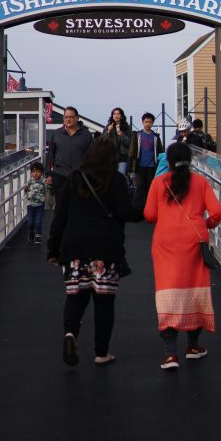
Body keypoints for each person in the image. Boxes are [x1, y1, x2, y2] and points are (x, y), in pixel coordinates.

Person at [47, 136, 143, 366]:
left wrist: (53, 248)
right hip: (106, 249)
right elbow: (126, 212)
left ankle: (70, 334)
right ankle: (101, 353)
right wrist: (147, 208)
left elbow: (60, 216)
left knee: (75, 297)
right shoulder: (116, 180)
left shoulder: (74, 179)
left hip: (75, 247)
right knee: (104, 302)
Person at [143, 140, 221, 371]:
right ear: (191, 160)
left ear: (167, 161)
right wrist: (206, 224)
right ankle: (193, 347)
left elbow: (149, 215)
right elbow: (217, 211)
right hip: (195, 241)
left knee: (167, 292)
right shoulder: (200, 182)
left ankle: (170, 354)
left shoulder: (159, 183)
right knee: (195, 291)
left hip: (165, 244)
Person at [46, 106, 94, 196]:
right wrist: (48, 174)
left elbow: (92, 157)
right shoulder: (56, 134)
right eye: (66, 117)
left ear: (77, 118)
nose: (68, 119)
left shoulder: (86, 134)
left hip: (80, 176)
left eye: (71, 117)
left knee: (79, 206)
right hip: (59, 175)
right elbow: (50, 155)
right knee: (60, 206)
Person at [128, 112, 164, 199]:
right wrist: (129, 169)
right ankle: (138, 208)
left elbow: (161, 152)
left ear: (152, 123)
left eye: (150, 122)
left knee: (150, 188)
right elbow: (131, 151)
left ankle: (148, 208)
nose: (148, 124)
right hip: (139, 166)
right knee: (139, 188)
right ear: (142, 122)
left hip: (152, 167)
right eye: (146, 122)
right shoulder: (137, 135)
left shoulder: (156, 137)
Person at [24, 161, 47, 244]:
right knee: (30, 222)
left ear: (41, 172)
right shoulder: (30, 181)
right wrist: (25, 189)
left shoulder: (44, 181)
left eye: (37, 171)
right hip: (30, 204)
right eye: (33, 172)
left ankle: (38, 236)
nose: (35, 174)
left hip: (40, 204)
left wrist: (49, 183)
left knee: (38, 221)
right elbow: (26, 189)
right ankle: (31, 231)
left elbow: (48, 187)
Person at [103, 107, 132, 176]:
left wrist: (121, 135)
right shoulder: (108, 127)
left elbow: (130, 143)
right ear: (112, 116)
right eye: (114, 114)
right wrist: (108, 131)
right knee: (110, 178)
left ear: (121, 116)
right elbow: (103, 141)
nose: (116, 115)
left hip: (122, 157)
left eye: (118, 114)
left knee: (121, 177)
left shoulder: (127, 127)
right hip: (110, 157)